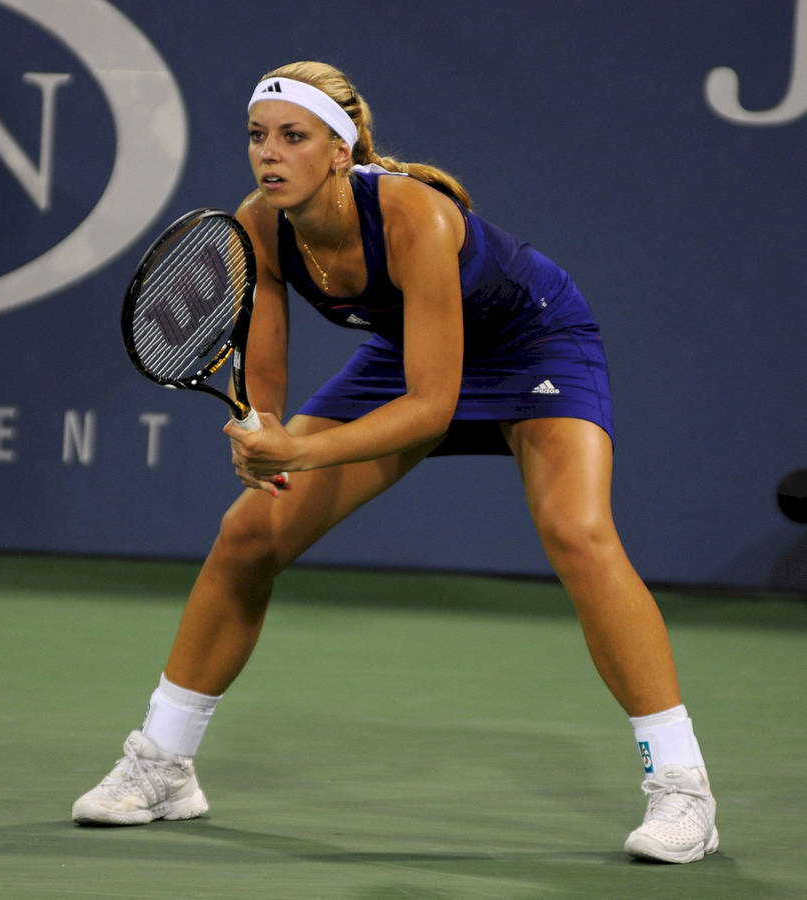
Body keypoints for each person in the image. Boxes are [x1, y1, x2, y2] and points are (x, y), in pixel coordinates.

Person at [72, 61, 718, 863]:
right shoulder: (260, 225)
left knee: (578, 534)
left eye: (293, 136)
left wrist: (303, 447)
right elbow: (264, 368)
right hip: (411, 352)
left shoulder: (415, 216)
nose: (269, 153)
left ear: (340, 151)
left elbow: (430, 409)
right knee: (249, 534)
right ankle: (163, 766)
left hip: (532, 345)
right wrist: (261, 433)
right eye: (257, 135)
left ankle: (683, 789)